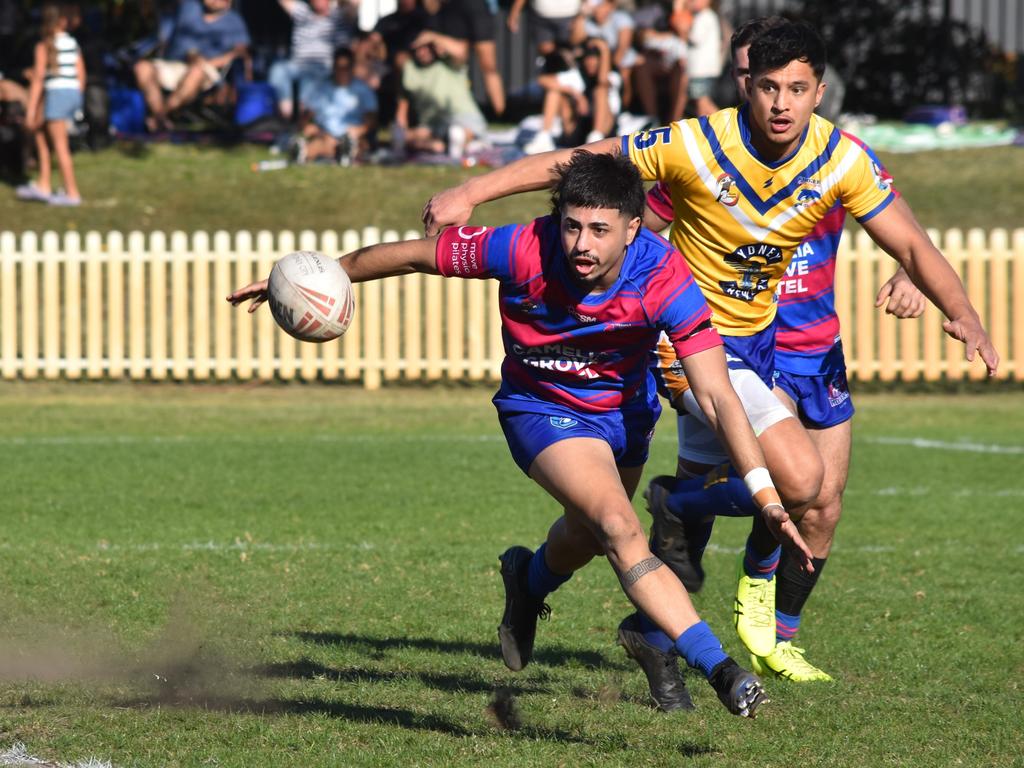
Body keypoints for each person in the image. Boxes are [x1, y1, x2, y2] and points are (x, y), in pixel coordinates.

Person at [420, 18, 999, 707]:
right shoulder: (696, 142)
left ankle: (628, 623)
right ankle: (678, 519)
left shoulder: (843, 159)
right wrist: (472, 193)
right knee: (801, 479)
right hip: (687, 347)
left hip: (754, 347)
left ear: (820, 92)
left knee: (638, 537)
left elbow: (914, 241)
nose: (782, 104)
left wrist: (961, 311)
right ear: (746, 87)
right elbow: (581, 159)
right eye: (769, 88)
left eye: (798, 89)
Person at [229, 150, 819, 716]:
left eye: (598, 230)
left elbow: (716, 393)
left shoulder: (664, 276)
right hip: (541, 409)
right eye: (570, 226)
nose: (580, 245)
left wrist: (765, 497)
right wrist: (324, 278)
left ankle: (528, 580)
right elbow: (414, 255)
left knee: (587, 537)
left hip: (625, 416)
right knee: (618, 526)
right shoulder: (521, 247)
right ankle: (722, 671)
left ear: (635, 229)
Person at [640, 16, 927, 685]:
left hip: (814, 346)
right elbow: (641, 227)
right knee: (720, 495)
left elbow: (901, 226)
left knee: (822, 501)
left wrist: (912, 271)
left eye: (783, 84)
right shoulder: (705, 153)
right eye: (751, 78)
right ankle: (661, 638)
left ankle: (775, 633)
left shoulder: (835, 152)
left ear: (810, 90)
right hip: (726, 345)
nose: (770, 97)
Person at [133, 0, 251, 132]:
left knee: (196, 71)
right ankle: (161, 117)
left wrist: (208, 63)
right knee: (142, 67)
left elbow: (240, 53)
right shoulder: (189, 9)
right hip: (174, 64)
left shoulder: (234, 21)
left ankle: (159, 118)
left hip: (206, 70)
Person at [16, 2, 85, 207]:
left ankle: (72, 193)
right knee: (40, 131)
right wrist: (75, 101)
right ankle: (43, 184)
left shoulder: (43, 46)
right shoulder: (73, 43)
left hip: (56, 94)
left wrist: (29, 111)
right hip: (71, 93)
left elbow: (37, 80)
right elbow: (81, 75)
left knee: (60, 146)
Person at [393, 31, 487, 160]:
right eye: (418, 49)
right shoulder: (410, 70)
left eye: (426, 47)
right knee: (410, 136)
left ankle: (459, 141)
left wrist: (433, 36)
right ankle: (442, 145)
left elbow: (462, 52)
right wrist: (400, 131)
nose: (422, 52)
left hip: (462, 118)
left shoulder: (449, 63)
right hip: (433, 126)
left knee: (460, 131)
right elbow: (403, 104)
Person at [268, 0, 357, 122]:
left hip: (324, 66)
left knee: (310, 81)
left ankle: (300, 114)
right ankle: (286, 106)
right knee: (278, 69)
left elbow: (355, 4)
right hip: (297, 64)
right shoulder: (302, 12)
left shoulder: (339, 15)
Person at [291, 46, 377, 165]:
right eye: (339, 67)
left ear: (352, 67)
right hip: (325, 134)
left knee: (356, 144)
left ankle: (311, 152)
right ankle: (308, 152)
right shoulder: (321, 88)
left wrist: (360, 130)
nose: (342, 72)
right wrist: (309, 128)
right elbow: (307, 116)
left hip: (352, 136)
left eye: (346, 68)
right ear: (333, 67)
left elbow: (371, 119)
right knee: (322, 142)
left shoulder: (363, 90)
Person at [682, 0, 721, 116]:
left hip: (701, 71)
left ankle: (712, 127)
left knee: (701, 103)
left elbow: (695, 38)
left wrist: (682, 29)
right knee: (703, 102)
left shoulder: (705, 16)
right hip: (702, 71)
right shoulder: (703, 16)